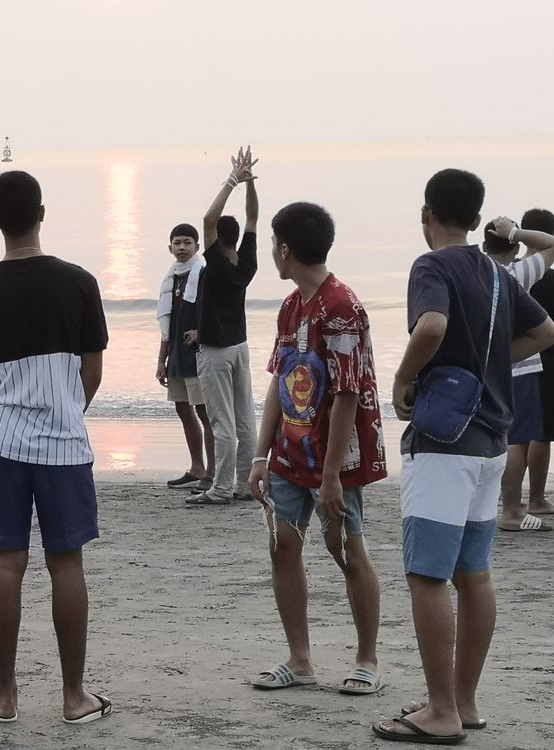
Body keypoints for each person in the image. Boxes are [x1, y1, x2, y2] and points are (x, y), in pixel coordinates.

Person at [374, 169, 554, 743]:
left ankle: (440, 711)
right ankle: (465, 702)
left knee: (427, 575)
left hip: (445, 440)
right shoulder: (496, 272)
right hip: (492, 440)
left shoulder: (432, 266)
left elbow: (430, 324)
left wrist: (403, 380)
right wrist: (491, 361)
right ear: (478, 220)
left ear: (426, 213)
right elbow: (547, 332)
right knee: (473, 574)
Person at [0, 171, 112, 724]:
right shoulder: (78, 283)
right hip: (64, 442)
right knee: (66, 564)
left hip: (0, 442)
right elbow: (92, 371)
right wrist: (67, 407)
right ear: (42, 213)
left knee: (7, 564)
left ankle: (6, 695)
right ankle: (75, 696)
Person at [248, 201, 386, 696]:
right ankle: (299, 658)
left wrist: (332, 477)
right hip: (290, 449)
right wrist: (260, 454)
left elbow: (348, 395)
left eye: (272, 243)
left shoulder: (341, 307)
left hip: (336, 457)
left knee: (347, 547)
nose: (271, 252)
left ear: (284, 248)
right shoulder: (290, 306)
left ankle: (367, 659)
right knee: (283, 546)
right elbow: (277, 383)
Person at [189, 147, 259, 505]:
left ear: (218, 239)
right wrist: (251, 185)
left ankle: (220, 488)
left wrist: (234, 180)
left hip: (216, 352)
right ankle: (248, 484)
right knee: (245, 419)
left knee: (223, 423)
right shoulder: (245, 264)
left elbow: (207, 219)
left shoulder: (215, 265)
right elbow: (252, 219)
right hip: (240, 347)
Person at [481, 217, 554, 532]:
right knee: (518, 439)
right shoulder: (514, 274)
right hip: (519, 365)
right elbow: (552, 244)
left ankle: (492, 503)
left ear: (485, 246)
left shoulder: (476, 274)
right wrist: (514, 232)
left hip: (481, 366)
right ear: (514, 249)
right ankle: (512, 511)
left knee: (495, 437)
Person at [156, 223, 214, 492]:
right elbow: (167, 324)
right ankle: (196, 467)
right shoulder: (171, 277)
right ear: (169, 247)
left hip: (198, 354)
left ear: (197, 247)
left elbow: (215, 309)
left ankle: (211, 473)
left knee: (205, 412)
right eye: (177, 242)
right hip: (176, 353)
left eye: (187, 242)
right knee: (182, 409)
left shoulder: (202, 273)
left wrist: (202, 330)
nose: (181, 247)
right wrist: (161, 360)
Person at [525, 208, 554, 521]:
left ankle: (513, 499)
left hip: (515, 361)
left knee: (520, 434)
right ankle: (536, 498)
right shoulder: (551, 280)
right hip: (549, 362)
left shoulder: (508, 273)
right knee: (542, 433)